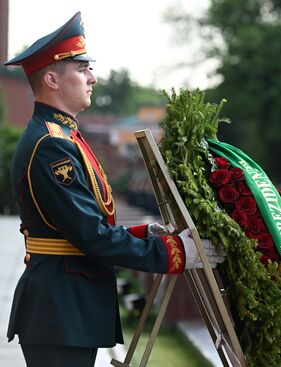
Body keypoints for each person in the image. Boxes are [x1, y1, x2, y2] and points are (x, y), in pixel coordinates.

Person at [4, 12, 224, 367]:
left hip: (69, 307)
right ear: (51, 79)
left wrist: (144, 233)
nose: (92, 77)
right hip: (61, 309)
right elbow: (90, 236)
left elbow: (85, 225)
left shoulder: (64, 137)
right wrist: (173, 253)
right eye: (81, 69)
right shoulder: (51, 145)